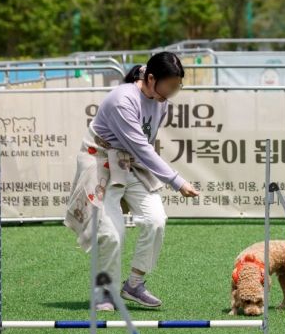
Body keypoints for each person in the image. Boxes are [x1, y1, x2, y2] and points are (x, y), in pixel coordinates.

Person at [65, 51, 199, 311]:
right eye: (170, 86)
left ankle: (134, 284)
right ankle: (104, 292)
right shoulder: (122, 100)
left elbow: (143, 147)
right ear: (150, 78)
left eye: (177, 87)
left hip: (130, 163)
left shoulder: (161, 101)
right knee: (112, 233)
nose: (172, 92)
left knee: (156, 220)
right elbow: (143, 148)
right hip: (99, 158)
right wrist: (177, 181)